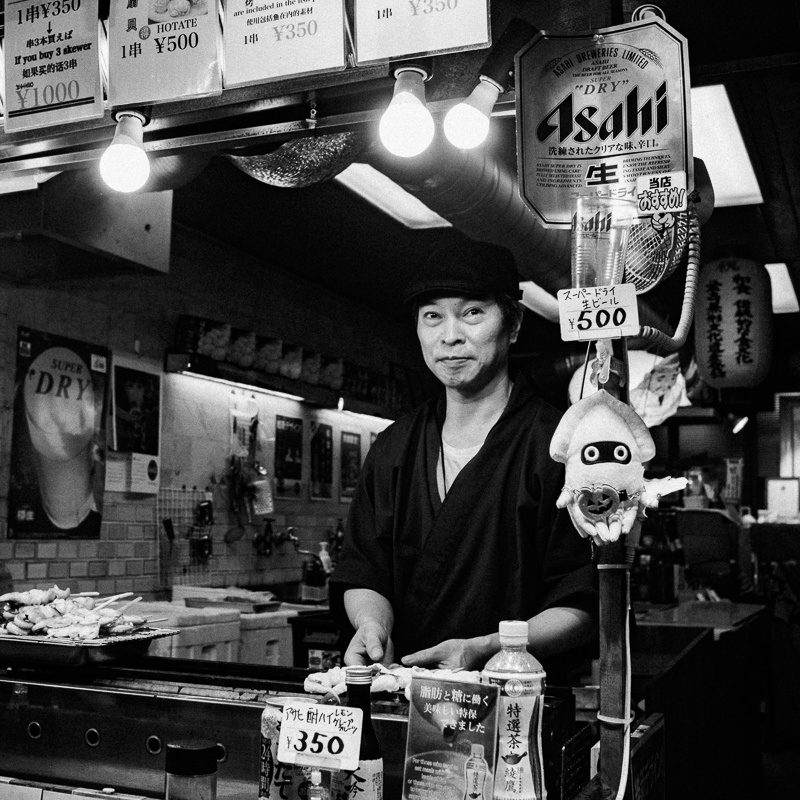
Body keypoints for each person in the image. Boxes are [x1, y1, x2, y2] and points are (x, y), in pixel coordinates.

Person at [329, 240, 598, 674]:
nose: (450, 336)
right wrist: (370, 625)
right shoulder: (393, 447)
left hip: (518, 700)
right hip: (404, 694)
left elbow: (584, 602)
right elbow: (364, 571)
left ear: (513, 324)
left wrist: (489, 648)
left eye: (472, 312)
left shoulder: (560, 444)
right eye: (432, 316)